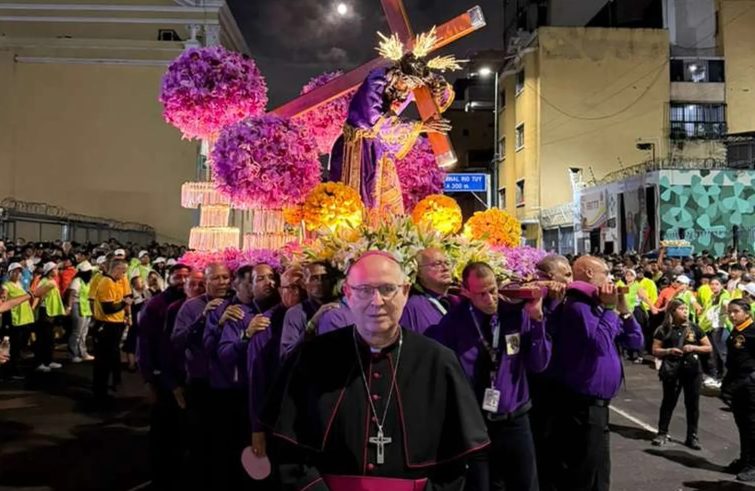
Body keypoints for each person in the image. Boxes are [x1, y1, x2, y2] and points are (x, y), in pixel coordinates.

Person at [267, 251, 490, 490]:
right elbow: (289, 452)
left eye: (387, 289)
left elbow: (460, 461)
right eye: (364, 290)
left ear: (405, 292)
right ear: (348, 294)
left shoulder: (439, 361)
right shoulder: (313, 357)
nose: (376, 301)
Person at [428, 262, 549, 491]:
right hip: (477, 423)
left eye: (492, 290)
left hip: (515, 418)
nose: (490, 299)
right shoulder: (454, 322)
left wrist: (536, 321)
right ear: (466, 292)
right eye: (481, 294)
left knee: (525, 484)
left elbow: (539, 364)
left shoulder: (514, 314)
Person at [547, 255, 644, 491]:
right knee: (587, 473)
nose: (610, 279)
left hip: (599, 406)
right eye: (606, 274)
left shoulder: (597, 306)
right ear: (589, 273)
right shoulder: (578, 306)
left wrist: (624, 311)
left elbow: (636, 342)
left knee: (599, 471)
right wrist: (609, 309)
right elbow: (599, 344)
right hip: (584, 405)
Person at [170, 262, 231, 489]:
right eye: (216, 278)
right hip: (200, 383)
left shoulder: (234, 304)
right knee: (199, 442)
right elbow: (177, 341)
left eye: (226, 277)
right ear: (206, 282)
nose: (222, 282)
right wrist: (202, 318)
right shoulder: (191, 306)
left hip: (228, 385)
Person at [136, 262, 191, 490]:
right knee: (163, 431)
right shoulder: (157, 305)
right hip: (162, 377)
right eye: (178, 277)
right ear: (168, 278)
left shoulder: (191, 303)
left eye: (186, 277)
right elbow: (145, 343)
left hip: (183, 377)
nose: (182, 281)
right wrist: (149, 377)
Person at [650, 299, 711, 450]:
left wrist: (694, 348)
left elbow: (708, 347)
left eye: (686, 308)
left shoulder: (694, 328)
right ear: (672, 311)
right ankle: (662, 432)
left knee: (692, 404)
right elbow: (655, 350)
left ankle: (692, 436)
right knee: (668, 402)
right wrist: (668, 351)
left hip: (692, 371)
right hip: (672, 370)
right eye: (681, 309)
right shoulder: (663, 329)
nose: (685, 311)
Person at [721, 299, 755, 481]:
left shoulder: (752, 331)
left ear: (746, 312)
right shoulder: (737, 330)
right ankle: (745, 459)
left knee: (752, 425)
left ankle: (753, 465)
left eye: (736, 311)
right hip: (737, 383)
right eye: (730, 312)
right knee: (742, 424)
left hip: (750, 384)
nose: (732, 315)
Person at [92, 258, 134, 400]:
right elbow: (109, 308)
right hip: (106, 325)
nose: (123, 275)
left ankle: (107, 386)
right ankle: (99, 392)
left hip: (115, 324)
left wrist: (126, 313)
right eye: (123, 271)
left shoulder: (114, 282)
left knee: (110, 357)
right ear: (116, 269)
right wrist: (125, 303)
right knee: (103, 360)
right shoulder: (107, 282)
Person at [279, 261, 338, 359]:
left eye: (324, 278)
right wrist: (312, 325)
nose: (320, 282)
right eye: (314, 278)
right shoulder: (295, 314)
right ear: (303, 283)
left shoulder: (339, 307)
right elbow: (287, 356)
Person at [400, 247, 458, 334]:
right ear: (419, 272)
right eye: (437, 264)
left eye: (447, 263)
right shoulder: (413, 307)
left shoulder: (457, 302)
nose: (445, 268)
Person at [35, 262, 65, 372]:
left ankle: (48, 360)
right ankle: (39, 363)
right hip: (45, 312)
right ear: (49, 271)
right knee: (43, 339)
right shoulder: (44, 282)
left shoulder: (52, 281)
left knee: (50, 339)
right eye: (55, 269)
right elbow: (38, 296)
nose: (57, 271)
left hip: (51, 313)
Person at [67, 261, 94, 363]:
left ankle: (83, 353)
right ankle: (73, 354)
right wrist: (69, 307)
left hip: (86, 308)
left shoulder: (88, 281)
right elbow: (72, 294)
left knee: (84, 333)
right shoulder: (77, 281)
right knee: (76, 332)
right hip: (77, 306)